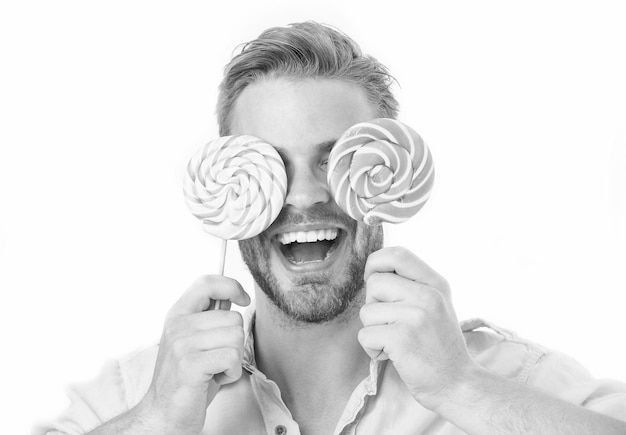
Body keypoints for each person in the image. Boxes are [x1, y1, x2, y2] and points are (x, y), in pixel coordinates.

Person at [35, 21, 626, 435]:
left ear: (387, 168)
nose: (305, 195)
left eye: (333, 157)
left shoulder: (504, 380)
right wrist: (159, 420)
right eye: (271, 163)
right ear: (230, 182)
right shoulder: (137, 393)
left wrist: (461, 390)